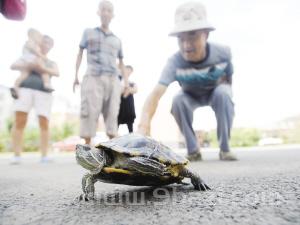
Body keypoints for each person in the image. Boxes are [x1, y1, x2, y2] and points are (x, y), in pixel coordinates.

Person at [138, 1, 237, 161]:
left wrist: (227, 101)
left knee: (223, 94)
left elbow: (228, 80)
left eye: (192, 35)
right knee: (178, 99)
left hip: (215, 92)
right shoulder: (174, 62)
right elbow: (156, 94)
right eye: (180, 38)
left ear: (206, 34)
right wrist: (143, 126)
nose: (186, 45)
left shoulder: (223, 53)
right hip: (189, 95)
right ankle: (193, 150)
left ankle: (225, 148)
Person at [73, 0, 128, 145]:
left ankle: (113, 147)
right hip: (93, 75)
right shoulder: (88, 32)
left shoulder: (117, 40)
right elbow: (79, 53)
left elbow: (121, 62)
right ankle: (87, 145)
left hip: (113, 78)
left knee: (112, 112)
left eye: (109, 10)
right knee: (90, 110)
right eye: (103, 9)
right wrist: (75, 76)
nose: (106, 12)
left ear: (113, 15)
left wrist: (126, 83)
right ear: (98, 12)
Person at [10, 35, 59, 164]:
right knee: (20, 120)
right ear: (39, 43)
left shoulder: (50, 61)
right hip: (25, 89)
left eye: (49, 43)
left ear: (51, 46)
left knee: (44, 122)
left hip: (44, 92)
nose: (46, 45)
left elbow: (56, 72)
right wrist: (29, 65)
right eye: (44, 42)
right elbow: (14, 65)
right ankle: (16, 155)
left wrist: (41, 68)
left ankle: (44, 155)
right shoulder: (29, 56)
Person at [10, 28, 53, 99]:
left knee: (24, 74)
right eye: (39, 37)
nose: (40, 40)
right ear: (33, 36)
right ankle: (47, 85)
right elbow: (34, 51)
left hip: (26, 60)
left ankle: (15, 87)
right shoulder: (31, 42)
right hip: (31, 59)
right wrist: (41, 56)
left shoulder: (30, 43)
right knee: (44, 72)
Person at [118, 65, 137, 133]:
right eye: (127, 70)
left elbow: (135, 90)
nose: (128, 72)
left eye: (130, 71)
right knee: (117, 122)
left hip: (129, 105)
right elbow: (119, 90)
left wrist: (127, 89)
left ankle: (131, 136)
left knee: (130, 124)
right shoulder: (118, 79)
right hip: (120, 105)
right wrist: (126, 89)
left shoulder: (132, 82)